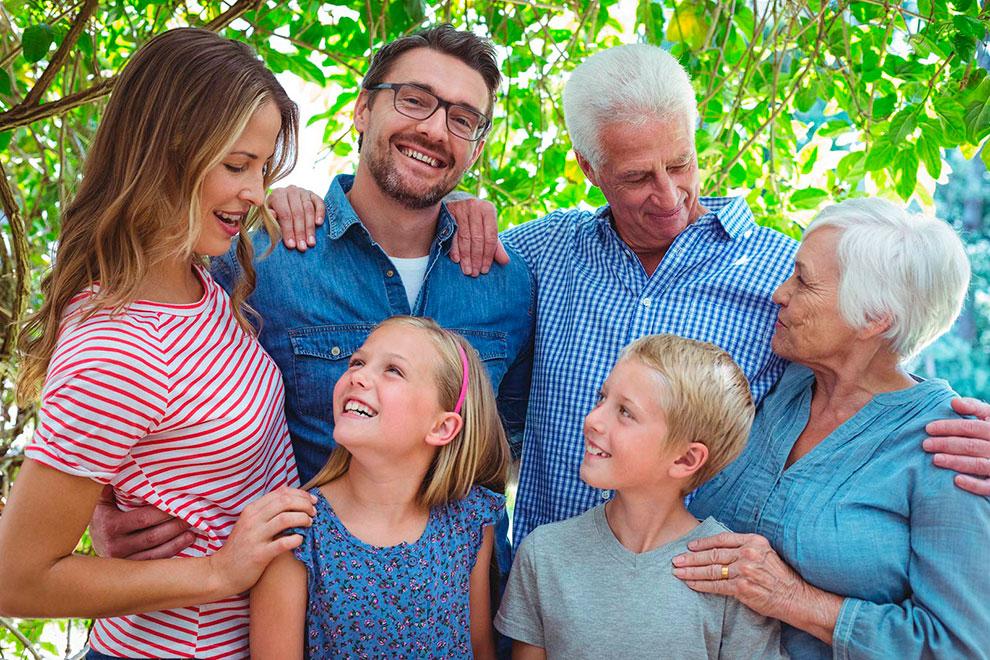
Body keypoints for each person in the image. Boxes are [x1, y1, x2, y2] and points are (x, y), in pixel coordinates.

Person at [90, 26, 534, 580]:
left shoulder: (508, 282)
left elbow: (505, 452)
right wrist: (103, 507)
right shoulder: (262, 260)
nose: (434, 128)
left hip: (460, 621)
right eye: (415, 100)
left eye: (463, 119)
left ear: (477, 145)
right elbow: (141, 371)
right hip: (300, 615)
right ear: (362, 110)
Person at [0, 28, 315, 659]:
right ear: (166, 153)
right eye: (236, 165)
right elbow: (17, 579)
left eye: (261, 168)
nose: (255, 193)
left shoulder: (198, 284)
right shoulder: (116, 350)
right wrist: (218, 573)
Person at [677, 198, 989, 658]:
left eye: (803, 281)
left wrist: (794, 599)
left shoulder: (949, 447)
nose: (779, 293)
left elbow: (959, 647)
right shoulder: (774, 380)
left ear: (873, 318)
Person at [495, 334, 786, 659]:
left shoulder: (733, 574)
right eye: (601, 398)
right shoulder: (544, 554)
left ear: (685, 460)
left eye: (625, 412)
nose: (592, 420)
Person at [250, 316, 507, 659]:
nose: (357, 375)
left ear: (442, 427)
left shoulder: (469, 521)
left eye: (393, 371)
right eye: (357, 362)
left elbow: (479, 647)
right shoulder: (296, 532)